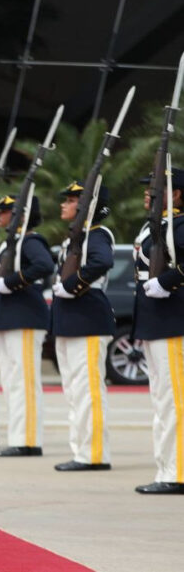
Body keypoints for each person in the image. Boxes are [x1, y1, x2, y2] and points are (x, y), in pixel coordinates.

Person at [50, 181, 114, 471]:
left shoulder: (97, 234)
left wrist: (72, 284)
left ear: (86, 205)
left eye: (71, 200)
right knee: (74, 391)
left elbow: (103, 261)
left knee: (88, 391)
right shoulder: (76, 238)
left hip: (87, 319)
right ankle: (81, 450)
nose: (64, 204)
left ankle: (94, 454)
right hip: (71, 320)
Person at [0, 194, 54, 457]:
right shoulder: (11, 243)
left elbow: (44, 264)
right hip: (8, 317)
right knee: (11, 380)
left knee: (23, 381)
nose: (0, 216)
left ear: (22, 215)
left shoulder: (30, 241)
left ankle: (27, 440)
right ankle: (18, 437)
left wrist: (13, 281)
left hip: (24, 316)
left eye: (6, 211)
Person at [132, 168, 184, 494]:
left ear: (175, 194)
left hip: (172, 320)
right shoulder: (156, 226)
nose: (146, 194)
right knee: (162, 399)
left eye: (153, 189)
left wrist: (167, 282)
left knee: (174, 400)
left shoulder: (179, 225)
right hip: (155, 321)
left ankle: (177, 473)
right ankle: (167, 468)